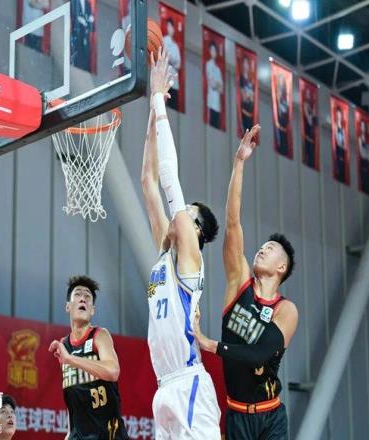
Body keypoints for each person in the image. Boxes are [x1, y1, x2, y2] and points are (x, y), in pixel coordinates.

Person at [192, 125, 298, 440]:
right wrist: (239, 162)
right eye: (261, 246)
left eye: (271, 248)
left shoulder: (286, 310)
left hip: (271, 415)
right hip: (237, 414)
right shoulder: (238, 282)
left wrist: (209, 344)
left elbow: (259, 354)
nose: (262, 248)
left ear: (281, 267)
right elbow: (233, 222)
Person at [141, 47, 221, 439]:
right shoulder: (165, 251)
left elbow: (169, 179)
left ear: (197, 231)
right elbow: (148, 180)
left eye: (188, 212)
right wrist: (151, 112)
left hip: (189, 383)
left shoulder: (190, 256)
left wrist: (159, 100)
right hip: (164, 386)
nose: (181, 213)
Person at [49, 276, 128, 440]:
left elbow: (113, 371)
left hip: (108, 434)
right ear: (68, 307)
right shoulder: (64, 345)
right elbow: (73, 397)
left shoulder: (99, 335)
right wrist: (69, 433)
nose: (83, 298)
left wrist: (70, 359)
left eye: (87, 296)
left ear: (92, 310)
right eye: (78, 294)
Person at [162, 18, 181, 111]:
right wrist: (173, 60)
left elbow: (178, 65)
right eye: (169, 26)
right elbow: (166, 56)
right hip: (166, 79)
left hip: (174, 82)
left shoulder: (176, 46)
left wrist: (172, 60)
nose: (170, 29)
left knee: (173, 107)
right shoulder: (164, 41)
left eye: (172, 27)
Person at [71, 0, 95, 71]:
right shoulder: (74, 2)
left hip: (86, 32)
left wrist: (91, 18)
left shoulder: (87, 3)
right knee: (78, 51)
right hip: (77, 32)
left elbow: (90, 15)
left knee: (86, 51)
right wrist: (79, 19)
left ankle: (85, 67)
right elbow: (73, 14)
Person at [205, 41, 223, 129]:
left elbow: (221, 89)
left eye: (214, 50)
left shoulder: (218, 70)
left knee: (216, 127)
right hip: (211, 102)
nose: (213, 52)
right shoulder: (208, 64)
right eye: (211, 50)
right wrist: (217, 84)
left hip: (217, 104)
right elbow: (212, 84)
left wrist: (217, 84)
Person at [302, 87, 317, 168]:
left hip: (311, 132)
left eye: (309, 94)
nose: (308, 96)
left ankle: (311, 161)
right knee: (308, 150)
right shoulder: (305, 105)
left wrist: (314, 103)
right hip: (307, 132)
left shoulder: (310, 107)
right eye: (307, 94)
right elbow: (309, 119)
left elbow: (313, 116)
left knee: (312, 151)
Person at [239, 56, 254, 133]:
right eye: (244, 63)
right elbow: (244, 97)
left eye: (247, 63)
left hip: (251, 113)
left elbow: (252, 98)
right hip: (244, 111)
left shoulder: (251, 81)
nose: (246, 65)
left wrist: (249, 95)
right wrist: (248, 95)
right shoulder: (241, 79)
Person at [275, 75, 289, 156]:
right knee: (281, 139)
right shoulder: (278, 93)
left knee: (284, 140)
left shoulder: (285, 96)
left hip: (284, 120)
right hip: (280, 120)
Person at [358, 120, 369, 195]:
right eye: (362, 127)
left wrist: (367, 157)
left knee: (368, 179)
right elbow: (361, 152)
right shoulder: (360, 139)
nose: (363, 128)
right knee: (364, 178)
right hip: (363, 161)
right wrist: (366, 155)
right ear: (360, 128)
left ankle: (367, 190)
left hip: (367, 162)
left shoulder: (367, 141)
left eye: (364, 127)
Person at [334, 106, 347, 183]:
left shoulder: (343, 129)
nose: (338, 116)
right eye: (337, 115)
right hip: (338, 151)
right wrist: (342, 145)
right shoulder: (335, 126)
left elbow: (345, 143)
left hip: (342, 151)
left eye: (340, 115)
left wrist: (343, 145)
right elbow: (338, 141)